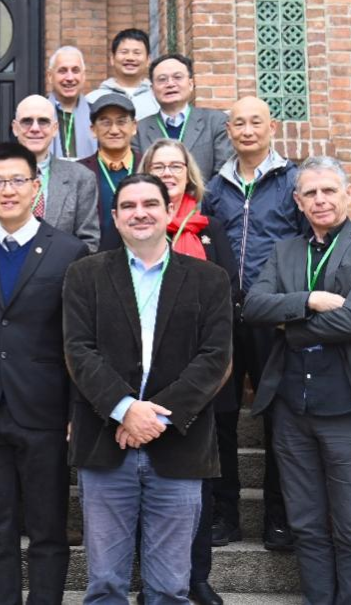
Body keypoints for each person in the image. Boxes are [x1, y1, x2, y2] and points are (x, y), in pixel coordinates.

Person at [243, 156, 351, 605]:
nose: (320, 199)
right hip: (290, 409)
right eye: (310, 193)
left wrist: (290, 325)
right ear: (298, 201)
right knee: (306, 525)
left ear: (347, 194)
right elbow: (254, 306)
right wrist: (311, 299)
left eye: (329, 190)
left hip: (348, 408)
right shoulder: (284, 251)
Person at [64, 173, 232, 605]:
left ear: (169, 210)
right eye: (129, 206)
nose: (140, 213)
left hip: (179, 447)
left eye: (150, 204)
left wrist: (153, 415)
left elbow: (215, 357)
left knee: (171, 589)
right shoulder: (84, 275)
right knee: (105, 585)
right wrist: (125, 408)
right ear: (115, 217)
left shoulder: (209, 279)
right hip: (105, 444)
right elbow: (78, 351)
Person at [0, 142, 86, 605]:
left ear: (35, 186)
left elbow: (77, 337)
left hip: (46, 409)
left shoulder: (69, 250)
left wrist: (76, 409)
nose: (7, 190)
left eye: (16, 181)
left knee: (47, 525)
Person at [203, 96, 309, 553]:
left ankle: (279, 519)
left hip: (274, 316)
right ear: (228, 130)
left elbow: (306, 242)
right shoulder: (215, 186)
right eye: (239, 123)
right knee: (221, 418)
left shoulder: (292, 182)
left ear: (272, 127)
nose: (247, 130)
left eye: (256, 122)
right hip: (226, 315)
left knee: (278, 419)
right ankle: (224, 515)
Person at [141, 138, 236, 605]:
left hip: (202, 375)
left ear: (188, 173)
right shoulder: (133, 224)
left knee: (197, 483)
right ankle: (150, 581)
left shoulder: (209, 227)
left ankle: (197, 576)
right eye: (158, 166)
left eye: (175, 166)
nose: (168, 173)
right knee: (144, 484)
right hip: (145, 375)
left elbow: (230, 292)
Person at [0, 94, 99, 251]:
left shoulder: (81, 177)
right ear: (15, 128)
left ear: (55, 129)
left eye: (43, 121)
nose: (35, 128)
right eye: (27, 121)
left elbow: (88, 243)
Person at [133, 54, 232, 182]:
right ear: (152, 90)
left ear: (190, 84)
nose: (170, 84)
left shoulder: (215, 122)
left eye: (177, 77)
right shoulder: (139, 130)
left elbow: (223, 174)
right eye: (162, 79)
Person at [78, 93, 139, 251]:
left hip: (144, 256)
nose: (114, 130)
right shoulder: (78, 172)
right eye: (105, 123)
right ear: (93, 130)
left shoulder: (148, 166)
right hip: (94, 259)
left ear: (134, 127)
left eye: (121, 122)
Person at [86, 29, 161, 120]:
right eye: (124, 52)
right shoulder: (92, 99)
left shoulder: (159, 98)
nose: (130, 58)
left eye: (137, 53)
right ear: (112, 59)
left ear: (148, 60)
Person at [47, 45, 97, 160]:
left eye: (75, 71)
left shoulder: (96, 114)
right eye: (62, 71)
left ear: (83, 76)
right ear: (50, 76)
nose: (69, 78)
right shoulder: (36, 114)